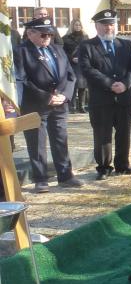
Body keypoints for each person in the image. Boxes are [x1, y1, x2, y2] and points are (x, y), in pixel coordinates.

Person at [17, 17, 82, 192]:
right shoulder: (21, 51)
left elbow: (70, 75)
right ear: (30, 33)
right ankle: (40, 179)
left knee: (60, 139)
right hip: (35, 105)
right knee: (37, 143)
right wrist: (47, 97)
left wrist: (65, 95)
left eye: (50, 34)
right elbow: (22, 80)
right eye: (43, 34)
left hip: (60, 103)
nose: (48, 38)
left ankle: (65, 176)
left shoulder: (57, 49)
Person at [76, 9, 131, 180]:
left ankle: (122, 165)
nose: (108, 28)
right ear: (96, 26)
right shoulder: (87, 46)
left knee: (124, 132)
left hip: (124, 98)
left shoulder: (125, 45)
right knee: (102, 134)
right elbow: (87, 70)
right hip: (101, 99)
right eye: (104, 25)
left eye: (111, 24)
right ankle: (104, 167)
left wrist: (125, 84)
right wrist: (110, 84)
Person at [61, 18, 88, 113]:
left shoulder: (85, 37)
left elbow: (88, 50)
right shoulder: (65, 38)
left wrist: (82, 58)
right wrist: (71, 58)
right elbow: (63, 52)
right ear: (72, 26)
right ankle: (72, 106)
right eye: (76, 25)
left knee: (83, 85)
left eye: (79, 25)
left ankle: (81, 106)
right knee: (73, 85)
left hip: (82, 64)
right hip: (71, 64)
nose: (78, 27)